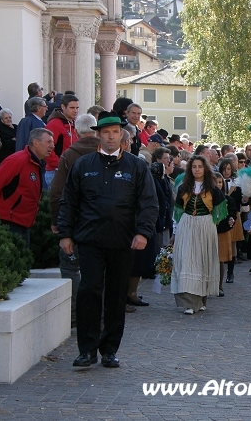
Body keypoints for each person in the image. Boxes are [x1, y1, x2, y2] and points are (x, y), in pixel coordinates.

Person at [58, 112, 158, 368]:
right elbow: (69, 201)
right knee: (89, 290)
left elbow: (148, 203)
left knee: (115, 295)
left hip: (122, 241)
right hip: (89, 239)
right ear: (98, 136)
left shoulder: (136, 166)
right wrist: (65, 234)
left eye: (115, 132)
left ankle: (110, 349)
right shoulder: (84, 165)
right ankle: (87, 350)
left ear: (121, 136)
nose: (111, 137)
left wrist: (143, 232)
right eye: (106, 133)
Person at [49, 114, 100, 326]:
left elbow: (56, 191)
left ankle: (74, 314)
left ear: (77, 132)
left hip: (76, 219)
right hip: (103, 220)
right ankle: (100, 313)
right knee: (101, 267)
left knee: (71, 266)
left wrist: (56, 221)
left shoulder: (70, 154)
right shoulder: (109, 152)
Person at [171, 155, 228, 314]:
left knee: (202, 261)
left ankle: (202, 299)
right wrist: (176, 231)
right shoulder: (183, 188)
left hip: (205, 226)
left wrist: (212, 222)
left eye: (200, 167)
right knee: (187, 261)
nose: (197, 169)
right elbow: (177, 211)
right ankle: (191, 302)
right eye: (194, 167)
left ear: (205, 169)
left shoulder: (212, 188)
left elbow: (221, 210)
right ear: (190, 169)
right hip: (187, 225)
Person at [0, 128, 54, 248]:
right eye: (49, 142)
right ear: (36, 143)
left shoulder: (36, 163)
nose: (52, 146)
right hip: (8, 222)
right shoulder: (17, 160)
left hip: (23, 224)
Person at [45, 94, 80, 187]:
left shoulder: (74, 123)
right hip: (56, 172)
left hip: (70, 170)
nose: (75, 111)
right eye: (72, 108)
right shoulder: (54, 124)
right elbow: (46, 149)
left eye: (77, 108)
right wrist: (60, 164)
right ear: (63, 107)